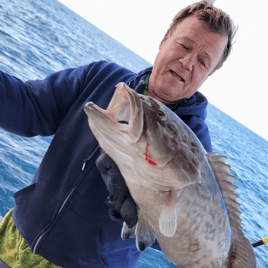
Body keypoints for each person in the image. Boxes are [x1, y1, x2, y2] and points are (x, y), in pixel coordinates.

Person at [0, 1, 236, 267]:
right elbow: (30, 107)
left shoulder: (197, 151)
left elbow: (180, 238)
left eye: (203, 61)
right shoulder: (102, 77)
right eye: (185, 45)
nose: (187, 62)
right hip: (12, 240)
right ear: (165, 38)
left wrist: (140, 210)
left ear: (210, 73)